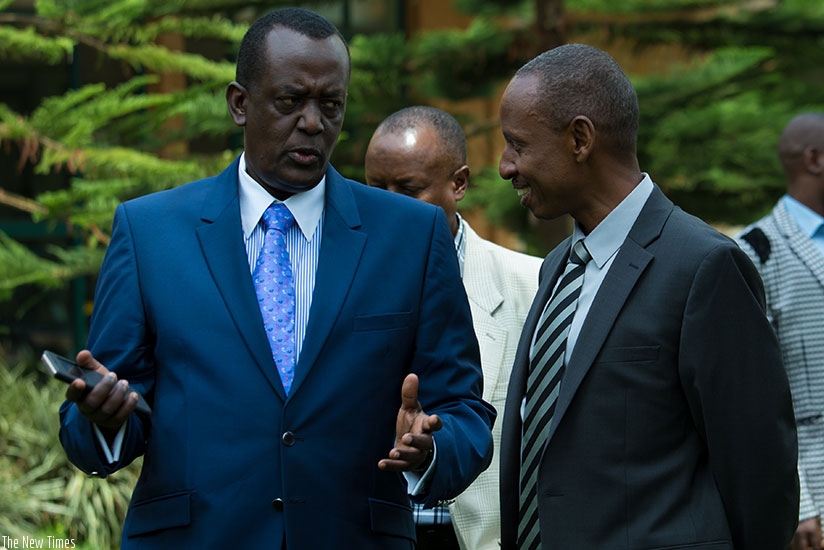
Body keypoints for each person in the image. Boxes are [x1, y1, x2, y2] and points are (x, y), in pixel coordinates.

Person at [56, 8, 495, 549]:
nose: (313, 122)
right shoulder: (149, 233)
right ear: (239, 104)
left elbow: (464, 411)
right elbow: (104, 410)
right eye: (290, 101)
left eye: (330, 105)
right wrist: (103, 420)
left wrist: (433, 448)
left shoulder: (412, 235)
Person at [496, 43, 799, 550]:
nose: (506, 166)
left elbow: (760, 476)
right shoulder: (557, 268)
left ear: (580, 138)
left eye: (517, 144)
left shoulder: (704, 266)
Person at [365, 106, 542, 550]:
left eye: (408, 189)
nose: (388, 204)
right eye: (375, 188)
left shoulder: (532, 285)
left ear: (459, 184)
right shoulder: (337, 283)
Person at [736, 112, 824, 550]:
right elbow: (756, 391)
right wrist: (800, 501)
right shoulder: (755, 251)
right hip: (814, 491)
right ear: (815, 160)